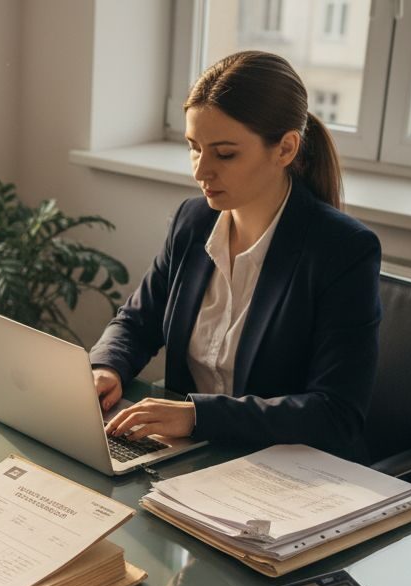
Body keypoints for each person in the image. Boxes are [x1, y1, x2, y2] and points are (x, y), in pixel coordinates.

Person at [91, 51, 382, 462]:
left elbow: (335, 413)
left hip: (284, 469)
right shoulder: (193, 221)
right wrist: (107, 367)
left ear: (285, 149)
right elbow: (138, 323)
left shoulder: (343, 249)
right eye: (194, 148)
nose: (200, 171)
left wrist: (198, 417)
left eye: (224, 154)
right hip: (193, 458)